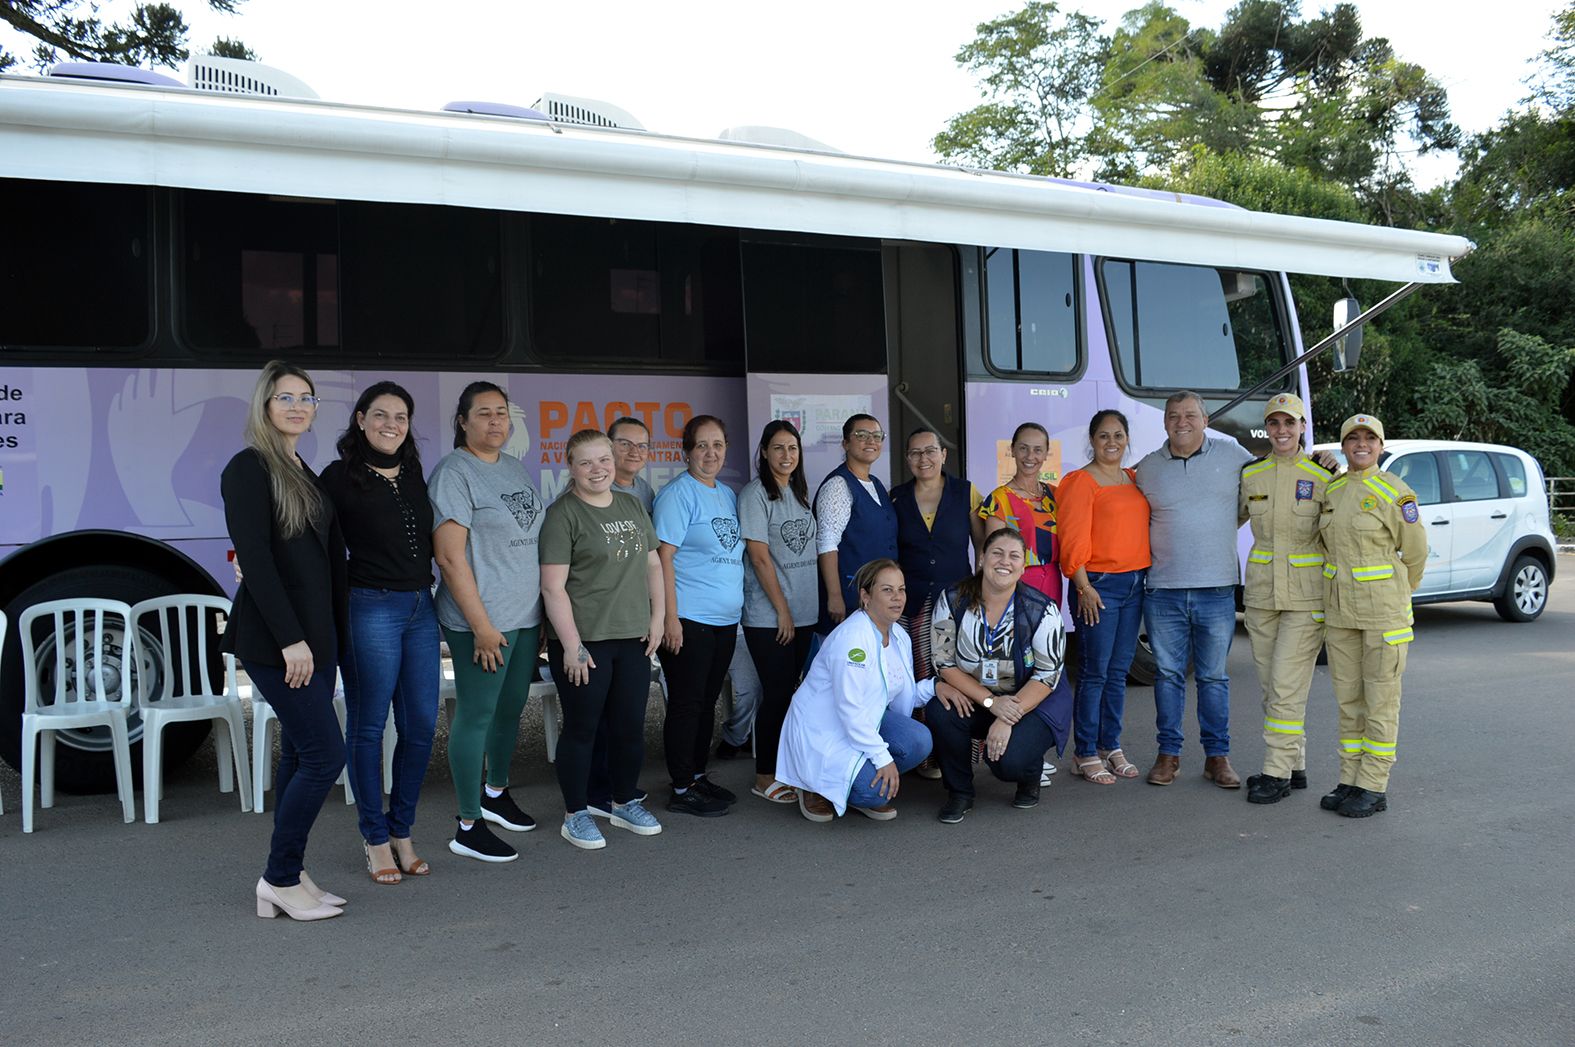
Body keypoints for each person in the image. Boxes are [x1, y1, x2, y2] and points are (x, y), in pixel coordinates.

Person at [222, 360, 349, 921]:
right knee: (326, 754)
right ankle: (277, 876)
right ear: (264, 405)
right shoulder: (249, 468)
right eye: (285, 397)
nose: (298, 406)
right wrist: (291, 641)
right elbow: (255, 560)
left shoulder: (302, 468)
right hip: (280, 642)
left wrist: (329, 641)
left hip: (315, 639)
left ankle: (291, 872)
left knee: (301, 751)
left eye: (307, 398)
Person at [320, 381, 440, 884]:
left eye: (402, 417)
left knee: (420, 727)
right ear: (361, 419)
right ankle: (374, 838)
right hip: (370, 606)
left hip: (420, 608)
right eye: (382, 415)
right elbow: (305, 536)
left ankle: (402, 829)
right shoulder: (337, 477)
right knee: (369, 727)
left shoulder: (413, 473)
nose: (392, 424)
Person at [430, 381, 546, 863]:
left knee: (511, 707)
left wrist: (537, 617)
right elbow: (451, 560)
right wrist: (480, 625)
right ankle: (467, 823)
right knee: (477, 714)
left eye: (502, 413)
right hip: (481, 622)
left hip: (521, 618)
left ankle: (495, 792)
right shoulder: (454, 473)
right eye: (484, 414)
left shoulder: (515, 468)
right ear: (463, 421)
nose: (496, 422)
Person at [539, 429, 666, 849]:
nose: (598, 469)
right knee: (582, 729)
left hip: (632, 638)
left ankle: (623, 800)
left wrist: (659, 617)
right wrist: (572, 645)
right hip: (585, 643)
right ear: (571, 467)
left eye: (604, 460)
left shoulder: (631, 504)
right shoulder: (563, 515)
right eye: (587, 462)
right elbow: (553, 588)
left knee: (630, 727)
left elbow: (652, 566)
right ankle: (576, 812)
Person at [1134, 391, 1254, 789]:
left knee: (1213, 678)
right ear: (1164, 422)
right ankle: (1168, 755)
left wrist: (1318, 459)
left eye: (1190, 415)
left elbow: (1274, 476)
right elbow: (1111, 492)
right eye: (1173, 415)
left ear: (1205, 420)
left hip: (1217, 589)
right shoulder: (1148, 468)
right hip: (1163, 591)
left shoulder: (1233, 455)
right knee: (1168, 676)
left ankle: (1217, 757)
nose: (1181, 422)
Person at [1318, 414, 1426, 818]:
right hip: (1342, 612)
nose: (1361, 444)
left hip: (1383, 615)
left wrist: (1395, 593)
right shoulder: (1335, 489)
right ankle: (1350, 779)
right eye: (1353, 438)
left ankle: (1373, 786)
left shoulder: (1397, 494)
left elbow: (1415, 555)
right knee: (1349, 701)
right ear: (1343, 446)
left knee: (1380, 702)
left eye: (1369, 438)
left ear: (1380, 446)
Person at [925, 528, 1069, 823]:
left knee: (1005, 763)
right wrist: (992, 703)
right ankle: (960, 793)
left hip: (1031, 701)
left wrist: (1005, 717)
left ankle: (1029, 773)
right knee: (940, 710)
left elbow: (1046, 675)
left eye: (1014, 556)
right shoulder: (952, 599)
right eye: (997, 553)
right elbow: (944, 663)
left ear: (1023, 565)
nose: (1005, 561)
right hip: (979, 697)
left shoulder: (1043, 610)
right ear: (981, 558)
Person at [776, 560, 935, 821]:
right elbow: (849, 709)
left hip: (864, 722)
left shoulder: (898, 636)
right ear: (865, 596)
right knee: (878, 793)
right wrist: (882, 758)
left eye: (901, 589)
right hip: (825, 731)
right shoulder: (853, 639)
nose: (897, 598)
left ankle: (857, 783)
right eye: (887, 590)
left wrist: (937, 687)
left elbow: (899, 691)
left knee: (919, 740)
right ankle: (814, 785)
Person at [1237, 393, 1332, 805]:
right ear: (1267, 428)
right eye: (1274, 424)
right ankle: (1295, 765)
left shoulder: (1324, 475)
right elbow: (1229, 517)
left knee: (1286, 686)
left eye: (1289, 423)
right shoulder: (1252, 475)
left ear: (1302, 427)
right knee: (1270, 687)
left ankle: (1275, 772)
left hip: (1305, 598)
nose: (1281, 431)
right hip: (1260, 597)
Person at [654, 414, 745, 817]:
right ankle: (679, 786)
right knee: (687, 704)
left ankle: (696, 775)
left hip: (725, 621)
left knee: (708, 702)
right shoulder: (678, 494)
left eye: (718, 445)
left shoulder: (725, 494)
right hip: (689, 618)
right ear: (686, 451)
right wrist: (669, 618)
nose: (711, 453)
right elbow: (663, 558)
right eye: (702, 445)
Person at [1057, 409, 1151, 785]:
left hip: (1134, 583)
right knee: (1094, 672)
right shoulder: (1080, 481)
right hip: (1098, 584)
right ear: (1092, 441)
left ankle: (1110, 745)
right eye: (1103, 436)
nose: (1111, 443)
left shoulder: (1132, 478)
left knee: (1118, 670)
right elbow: (1072, 538)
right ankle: (1084, 752)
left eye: (1118, 435)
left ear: (1127, 439)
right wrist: (1084, 587)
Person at [737, 420, 819, 804]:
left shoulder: (800, 493)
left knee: (794, 694)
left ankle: (788, 768)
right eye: (778, 448)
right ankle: (764, 776)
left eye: (793, 448)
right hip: (770, 618)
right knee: (777, 694)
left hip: (804, 614)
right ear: (764, 453)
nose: (786, 456)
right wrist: (782, 611)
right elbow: (758, 556)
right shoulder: (755, 495)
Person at [815, 414, 898, 632]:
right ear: (845, 443)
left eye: (877, 435)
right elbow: (826, 543)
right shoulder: (838, 485)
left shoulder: (876, 484)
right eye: (861, 435)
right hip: (850, 599)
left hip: (875, 599)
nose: (871, 441)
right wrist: (834, 596)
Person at [890, 427, 984, 619]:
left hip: (959, 596)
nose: (923, 458)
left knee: (953, 648)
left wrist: (981, 585)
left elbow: (981, 544)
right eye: (915, 453)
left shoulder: (965, 491)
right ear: (908, 459)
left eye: (930, 451)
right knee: (920, 650)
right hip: (912, 602)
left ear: (943, 454)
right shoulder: (895, 497)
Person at [978, 422, 1062, 602]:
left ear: (1046, 453)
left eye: (1038, 450)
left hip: (1053, 578)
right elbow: (994, 553)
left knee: (1049, 629)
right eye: (1023, 448)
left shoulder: (1056, 494)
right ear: (1013, 450)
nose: (1030, 456)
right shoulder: (999, 499)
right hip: (1015, 580)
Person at [608, 416, 657, 514]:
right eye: (625, 444)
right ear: (609, 446)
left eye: (641, 446)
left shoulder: (645, 489)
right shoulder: (596, 488)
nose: (634, 452)